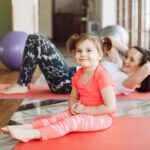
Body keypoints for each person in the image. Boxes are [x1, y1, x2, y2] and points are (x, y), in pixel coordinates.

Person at [0, 33, 116, 142]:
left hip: (102, 116)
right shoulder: (78, 74)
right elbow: (73, 96)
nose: (83, 54)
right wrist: (73, 107)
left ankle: (34, 134)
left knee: (70, 123)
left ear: (100, 55)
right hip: (83, 110)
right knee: (56, 118)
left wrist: (85, 110)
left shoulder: (102, 76)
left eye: (88, 50)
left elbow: (110, 107)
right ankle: (28, 127)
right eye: (79, 51)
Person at [0, 33, 150, 94]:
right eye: (127, 56)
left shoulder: (127, 84)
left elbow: (147, 67)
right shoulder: (118, 64)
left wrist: (142, 59)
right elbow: (108, 39)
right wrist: (131, 51)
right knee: (37, 39)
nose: (126, 60)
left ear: (140, 67)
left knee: (36, 39)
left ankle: (22, 83)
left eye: (132, 60)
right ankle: (23, 82)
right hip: (67, 73)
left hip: (65, 82)